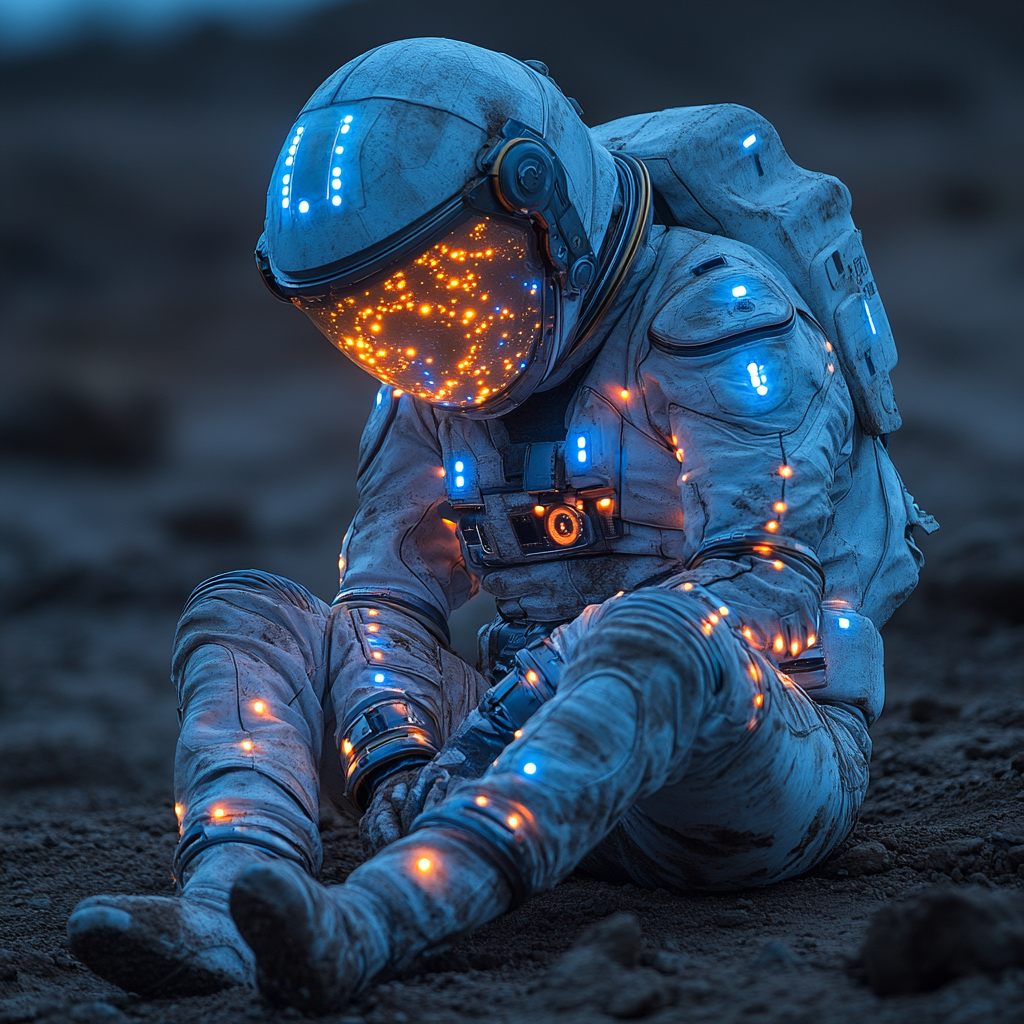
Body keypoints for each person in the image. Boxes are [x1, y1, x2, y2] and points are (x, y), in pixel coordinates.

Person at [67, 37, 936, 1012]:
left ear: (540, 204)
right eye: (371, 317)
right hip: (504, 767)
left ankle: (377, 919)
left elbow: (769, 590)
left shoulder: (717, 314)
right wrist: (394, 749)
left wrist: (524, 698)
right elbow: (387, 593)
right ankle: (229, 900)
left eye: (449, 280)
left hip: (739, 776)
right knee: (251, 612)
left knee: (661, 636)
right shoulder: (424, 382)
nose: (419, 336)